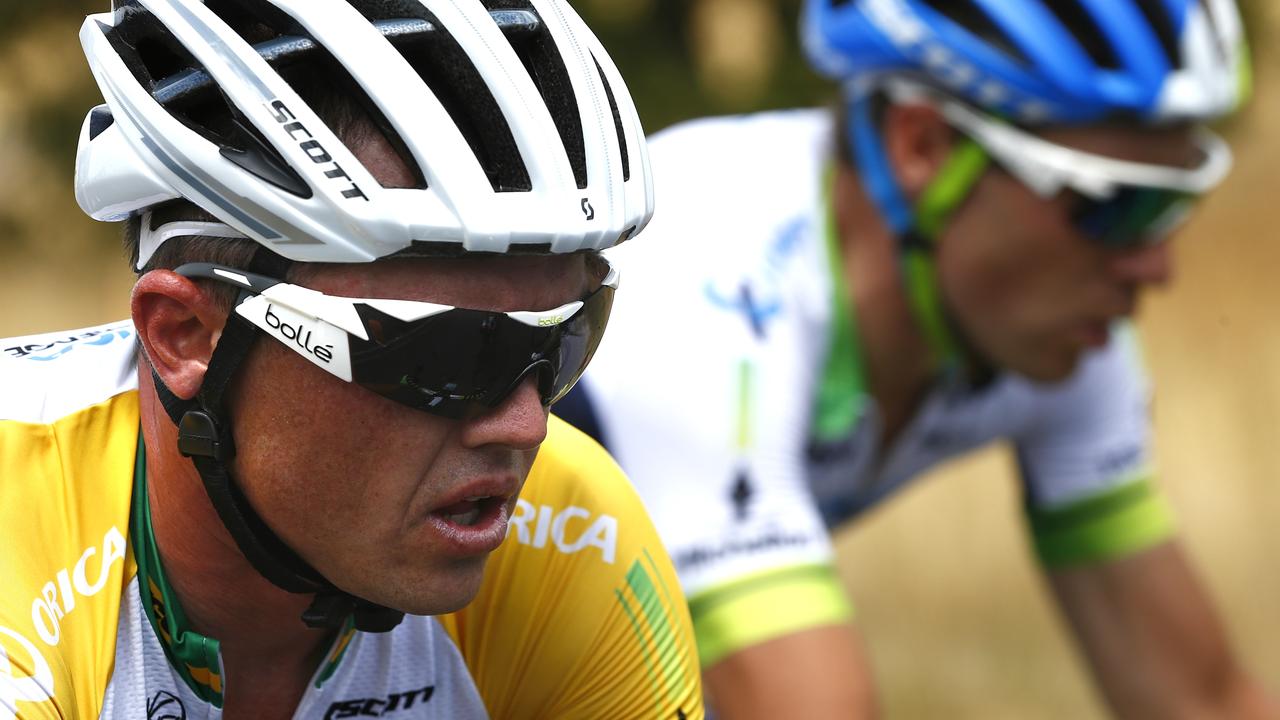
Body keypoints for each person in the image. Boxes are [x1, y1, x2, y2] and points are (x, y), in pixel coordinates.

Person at [556, 0, 1276, 717]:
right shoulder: (712, 279)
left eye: (1171, 208)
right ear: (921, 146)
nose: (1154, 268)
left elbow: (1198, 700)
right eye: (1117, 206)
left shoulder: (1062, 321)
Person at [0, 1, 702, 718]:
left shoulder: (573, 533)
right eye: (443, 355)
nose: (526, 426)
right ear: (187, 334)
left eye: (560, 340)